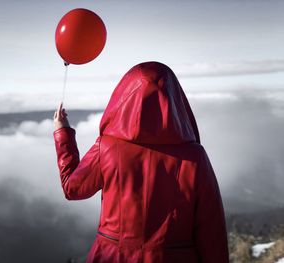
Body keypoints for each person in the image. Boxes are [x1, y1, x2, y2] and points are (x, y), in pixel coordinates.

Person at [53, 61, 229, 263]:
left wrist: (62, 133)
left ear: (123, 96)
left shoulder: (107, 148)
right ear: (175, 99)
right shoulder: (195, 157)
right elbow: (211, 230)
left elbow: (72, 189)